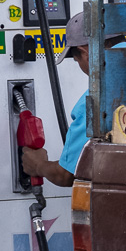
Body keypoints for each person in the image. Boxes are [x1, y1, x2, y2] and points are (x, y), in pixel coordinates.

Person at [19, 11, 88, 189]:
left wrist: (38, 165)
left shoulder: (93, 104)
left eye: (76, 60)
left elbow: (66, 175)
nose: (80, 66)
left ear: (84, 53)